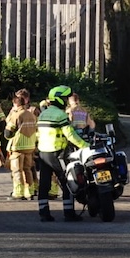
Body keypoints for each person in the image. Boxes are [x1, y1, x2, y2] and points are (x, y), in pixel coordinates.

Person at [36, 85, 88, 222]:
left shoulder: (42, 114)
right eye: (64, 98)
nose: (65, 101)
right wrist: (85, 146)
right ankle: (69, 213)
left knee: (44, 184)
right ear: (58, 99)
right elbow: (70, 135)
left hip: (43, 153)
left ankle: (43, 213)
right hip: (57, 154)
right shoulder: (60, 115)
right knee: (67, 182)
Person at [4, 91, 38, 201]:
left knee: (17, 170)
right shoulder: (31, 114)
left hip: (18, 146)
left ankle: (18, 193)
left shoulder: (16, 114)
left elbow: (8, 133)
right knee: (27, 169)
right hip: (30, 146)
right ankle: (30, 192)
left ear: (16, 104)